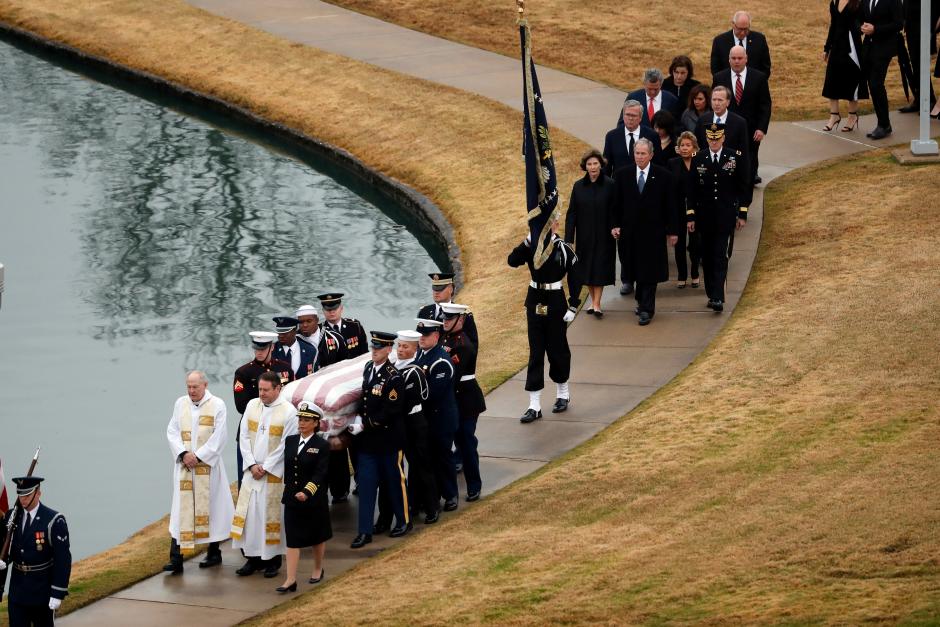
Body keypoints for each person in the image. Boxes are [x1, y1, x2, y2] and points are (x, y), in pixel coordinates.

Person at [507, 215, 580, 419]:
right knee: (536, 352)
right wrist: (528, 241)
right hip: (535, 300)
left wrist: (573, 305)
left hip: (555, 301)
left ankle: (563, 393)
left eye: (551, 223)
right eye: (543, 224)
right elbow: (512, 261)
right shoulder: (532, 246)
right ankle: (534, 405)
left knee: (557, 350)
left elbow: (575, 276)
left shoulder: (563, 248)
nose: (547, 227)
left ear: (556, 224)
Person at [164, 371, 234, 574]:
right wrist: (184, 453)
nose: (191, 391)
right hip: (185, 466)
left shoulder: (218, 405)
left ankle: (214, 552)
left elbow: (220, 436)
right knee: (181, 510)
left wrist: (199, 455)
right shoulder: (180, 403)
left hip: (207, 469)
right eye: (189, 386)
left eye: (195, 386)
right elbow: (172, 431)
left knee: (210, 510)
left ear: (205, 385)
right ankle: (176, 558)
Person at [231, 371, 298, 578]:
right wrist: (251, 464)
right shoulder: (252, 405)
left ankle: (272, 560)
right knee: (251, 516)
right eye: (260, 389)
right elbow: (243, 436)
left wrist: (266, 467)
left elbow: (286, 445)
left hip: (272, 474)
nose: (262, 394)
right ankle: (252, 559)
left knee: (270, 516)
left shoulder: (289, 412)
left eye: (266, 390)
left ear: (278, 388)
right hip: (252, 471)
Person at [348, 332, 410, 548]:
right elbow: (365, 399)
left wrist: (364, 424)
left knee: (394, 483)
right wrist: (356, 418)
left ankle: (403, 521)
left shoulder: (393, 377)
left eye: (378, 348)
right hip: (368, 443)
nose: (373, 351)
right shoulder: (368, 368)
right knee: (365, 486)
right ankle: (364, 531)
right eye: (372, 347)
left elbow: (391, 410)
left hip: (388, 440)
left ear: (387, 350)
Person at [611, 139, 679, 326]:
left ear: (651, 154)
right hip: (630, 233)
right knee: (635, 270)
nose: (639, 157)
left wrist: (673, 231)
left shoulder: (664, 176)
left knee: (649, 272)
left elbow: (671, 206)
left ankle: (647, 309)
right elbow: (615, 204)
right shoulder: (622, 175)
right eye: (637, 153)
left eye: (643, 153)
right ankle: (641, 302)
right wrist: (615, 225)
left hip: (653, 234)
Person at [685, 123, 752, 313]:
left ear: (723, 138)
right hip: (704, 216)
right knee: (706, 256)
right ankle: (711, 292)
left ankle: (717, 297)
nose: (714, 142)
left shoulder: (734, 157)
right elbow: (691, 190)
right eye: (710, 139)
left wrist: (743, 212)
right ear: (707, 139)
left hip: (725, 216)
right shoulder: (698, 158)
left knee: (720, 256)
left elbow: (743, 186)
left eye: (717, 138)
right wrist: (690, 215)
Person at [0, 476, 71, 627]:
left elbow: (62, 560)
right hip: (17, 591)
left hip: (42, 592)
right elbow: (8, 548)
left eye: (27, 495)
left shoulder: (53, 520)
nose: (23, 499)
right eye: (20, 495)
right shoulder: (11, 517)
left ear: (38, 493)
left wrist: (58, 592)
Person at [276, 401, 331, 593]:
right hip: (292, 497)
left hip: (313, 498)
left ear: (316, 423)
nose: (301, 423)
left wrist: (307, 491)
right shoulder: (290, 441)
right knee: (292, 538)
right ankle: (290, 579)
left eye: (306, 420)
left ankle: (317, 568)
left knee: (317, 535)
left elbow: (320, 473)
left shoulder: (322, 445)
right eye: (300, 419)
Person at [232, 331, 293, 488]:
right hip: (253, 429)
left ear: (271, 347)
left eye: (262, 349)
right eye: (256, 349)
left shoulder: (285, 368)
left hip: (279, 428)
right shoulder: (243, 372)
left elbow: (292, 396)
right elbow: (241, 406)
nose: (258, 352)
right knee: (246, 484)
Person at [413, 319, 460, 511]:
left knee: (443, 458)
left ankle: (451, 495)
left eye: (425, 335)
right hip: (427, 420)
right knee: (429, 459)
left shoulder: (440, 361)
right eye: (419, 335)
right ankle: (432, 496)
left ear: (436, 336)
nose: (421, 339)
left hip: (441, 419)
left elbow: (432, 395)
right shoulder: (420, 355)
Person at [440, 303, 485, 502]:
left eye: (449, 319)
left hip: (466, 400)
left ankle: (474, 485)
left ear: (461, 320)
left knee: (466, 444)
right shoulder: (443, 337)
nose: (445, 322)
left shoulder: (464, 344)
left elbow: (452, 374)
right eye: (444, 318)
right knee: (450, 443)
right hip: (451, 401)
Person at [394, 330, 439, 524]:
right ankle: (411, 504)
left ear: (415, 349)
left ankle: (432, 507)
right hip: (401, 425)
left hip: (414, 424)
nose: (401, 350)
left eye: (406, 347)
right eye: (399, 346)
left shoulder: (415, 372)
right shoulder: (394, 368)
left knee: (422, 467)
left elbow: (423, 397)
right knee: (404, 468)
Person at [564, 149, 616, 317]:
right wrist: (569, 239)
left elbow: (616, 209)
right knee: (587, 269)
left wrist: (616, 226)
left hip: (604, 234)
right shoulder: (578, 186)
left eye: (595, 163)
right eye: (589, 164)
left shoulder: (610, 184)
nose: (593, 167)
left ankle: (596, 304)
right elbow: (572, 213)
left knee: (599, 268)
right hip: (585, 235)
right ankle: (593, 301)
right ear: (585, 167)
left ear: (601, 165)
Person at [714, 46, 772, 185]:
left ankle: (748, 184)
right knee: (728, 157)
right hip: (727, 128)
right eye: (733, 58)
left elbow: (765, 104)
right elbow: (715, 103)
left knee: (750, 158)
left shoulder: (759, 77)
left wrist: (761, 128)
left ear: (746, 59)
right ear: (729, 60)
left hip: (752, 130)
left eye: (740, 58)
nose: (737, 61)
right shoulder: (720, 77)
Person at [823, 0, 869, 132]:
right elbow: (833, 25)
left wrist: (858, 28)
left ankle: (852, 116)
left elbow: (864, 24)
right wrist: (827, 48)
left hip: (852, 49)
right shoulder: (834, 2)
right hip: (837, 47)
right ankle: (834, 116)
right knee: (831, 80)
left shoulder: (859, 2)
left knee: (852, 80)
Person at [860, 0, 904, 138]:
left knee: (876, 84)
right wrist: (862, 27)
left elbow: (898, 24)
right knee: (872, 86)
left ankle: (884, 125)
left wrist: (876, 29)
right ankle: (882, 123)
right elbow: (862, 18)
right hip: (868, 48)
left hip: (884, 48)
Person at [668, 132, 703, 289]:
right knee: (679, 244)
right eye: (682, 145)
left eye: (688, 145)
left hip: (696, 210)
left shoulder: (700, 162)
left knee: (695, 244)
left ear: (694, 147)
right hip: (678, 209)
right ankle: (682, 275)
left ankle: (695, 274)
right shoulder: (672, 163)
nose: (685, 148)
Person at [417, 273, 479, 347]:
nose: (436, 292)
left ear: (451, 289)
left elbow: (472, 346)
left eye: (441, 289)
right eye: (434, 288)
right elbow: (418, 340)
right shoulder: (424, 312)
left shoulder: (462, 315)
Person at [899, 0, 939, 113]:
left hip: (926, 28)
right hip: (912, 28)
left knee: (922, 67)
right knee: (915, 66)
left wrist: (932, 28)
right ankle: (919, 99)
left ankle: (929, 101)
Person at [695, 86, 751, 168]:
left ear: (728, 102)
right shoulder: (703, 120)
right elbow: (697, 145)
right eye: (714, 100)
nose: (716, 103)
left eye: (720, 100)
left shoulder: (739, 122)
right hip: (707, 167)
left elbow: (744, 152)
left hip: (730, 169)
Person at [603, 100, 659, 179]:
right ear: (623, 116)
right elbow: (606, 165)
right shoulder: (612, 136)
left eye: (634, 115)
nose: (630, 118)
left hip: (643, 182)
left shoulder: (652, 135)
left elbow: (657, 162)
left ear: (640, 118)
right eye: (627, 115)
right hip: (619, 184)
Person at [711, 11, 772, 77]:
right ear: (733, 24)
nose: (742, 33)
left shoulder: (759, 40)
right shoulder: (720, 41)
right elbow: (715, 69)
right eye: (740, 29)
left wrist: (758, 83)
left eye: (746, 29)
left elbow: (766, 67)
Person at [317, 293, 368, 358]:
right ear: (323, 311)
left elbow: (365, 353)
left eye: (335, 308)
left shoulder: (355, 326)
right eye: (328, 309)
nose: (332, 312)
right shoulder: (319, 331)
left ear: (341, 308)